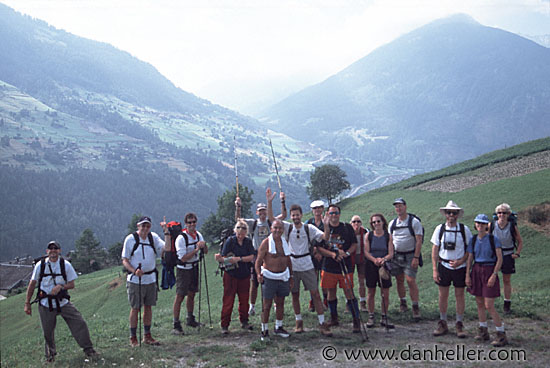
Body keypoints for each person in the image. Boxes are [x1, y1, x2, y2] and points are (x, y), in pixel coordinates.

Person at [266, 192, 332, 336]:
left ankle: (322, 323)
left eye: (297, 215)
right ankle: (298, 322)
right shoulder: (287, 227)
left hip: (307, 263)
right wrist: (269, 202)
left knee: (315, 293)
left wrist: (326, 225)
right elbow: (271, 219)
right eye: (293, 215)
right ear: (291, 216)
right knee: (294, 294)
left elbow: (325, 237)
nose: (295, 217)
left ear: (301, 215)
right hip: (293, 265)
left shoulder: (309, 228)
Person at [24, 241, 97, 362]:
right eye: (50, 249)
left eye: (55, 248)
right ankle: (50, 357)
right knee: (47, 332)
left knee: (79, 323)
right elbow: (32, 284)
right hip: (45, 303)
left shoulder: (65, 265)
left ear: (59, 251)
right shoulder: (40, 265)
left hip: (62, 301)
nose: (53, 251)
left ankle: (89, 350)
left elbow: (72, 284)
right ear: (47, 251)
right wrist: (27, 303)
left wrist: (61, 287)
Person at [235, 190, 286, 317]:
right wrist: (238, 206)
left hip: (270, 254)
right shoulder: (253, 223)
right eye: (260, 211)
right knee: (255, 281)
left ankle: (274, 304)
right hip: (256, 254)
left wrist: (282, 201)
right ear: (257, 212)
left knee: (272, 279)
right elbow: (238, 219)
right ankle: (252, 306)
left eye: (264, 211)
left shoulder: (271, 222)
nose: (263, 213)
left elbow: (284, 215)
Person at [122, 216, 170, 346]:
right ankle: (133, 337)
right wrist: (133, 271)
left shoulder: (152, 237)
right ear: (138, 226)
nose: (145, 228)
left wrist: (166, 232)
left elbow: (167, 248)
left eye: (147, 226)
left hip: (150, 279)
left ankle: (147, 336)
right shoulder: (130, 239)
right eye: (143, 226)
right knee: (135, 308)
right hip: (135, 280)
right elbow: (125, 260)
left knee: (148, 307)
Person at [430, 201, 473, 338]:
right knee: (443, 295)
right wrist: (434, 270)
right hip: (443, 266)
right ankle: (443, 323)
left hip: (460, 267)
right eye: (449, 213)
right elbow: (435, 250)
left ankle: (459, 324)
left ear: (458, 215)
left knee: (459, 295)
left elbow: (469, 250)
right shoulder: (439, 229)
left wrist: (461, 261)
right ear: (445, 214)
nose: (451, 215)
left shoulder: (464, 229)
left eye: (454, 213)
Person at [316, 204, 360, 332]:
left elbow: (354, 244)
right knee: (330, 292)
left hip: (345, 265)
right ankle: (334, 318)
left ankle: (356, 320)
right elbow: (319, 248)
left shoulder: (347, 228)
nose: (333, 216)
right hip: (329, 265)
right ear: (327, 214)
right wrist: (333, 255)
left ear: (339, 214)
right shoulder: (323, 229)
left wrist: (346, 254)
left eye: (336, 213)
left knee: (349, 291)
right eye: (331, 213)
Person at [466, 214, 507, 347]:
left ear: (487, 225)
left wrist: (494, 274)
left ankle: (501, 334)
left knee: (489, 304)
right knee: (479, 302)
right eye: (478, 223)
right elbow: (470, 258)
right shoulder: (473, 239)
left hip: (489, 269)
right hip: (477, 270)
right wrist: (467, 275)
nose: (480, 226)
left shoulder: (493, 239)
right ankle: (483, 331)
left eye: (483, 223)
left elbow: (500, 258)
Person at [214, 220, 256, 334]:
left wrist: (239, 259)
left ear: (245, 232)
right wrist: (221, 259)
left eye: (242, 233)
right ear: (235, 231)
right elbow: (223, 258)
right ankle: (224, 325)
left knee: (244, 299)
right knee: (228, 300)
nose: (240, 235)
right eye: (238, 233)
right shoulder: (230, 241)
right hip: (231, 275)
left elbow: (252, 256)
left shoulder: (247, 241)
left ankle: (244, 321)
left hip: (244, 274)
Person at [255, 219, 293, 341]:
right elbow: (258, 261)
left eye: (279, 228)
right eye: (275, 228)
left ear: (283, 230)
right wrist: (258, 274)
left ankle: (279, 327)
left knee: (280, 303)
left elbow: (288, 260)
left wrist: (291, 276)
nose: (277, 230)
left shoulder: (284, 242)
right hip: (269, 277)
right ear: (271, 229)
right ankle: (264, 330)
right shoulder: (266, 243)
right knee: (267, 305)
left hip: (283, 276)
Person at [172, 212, 208, 334]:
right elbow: (182, 258)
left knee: (192, 293)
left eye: (193, 222)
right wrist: (197, 249)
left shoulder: (198, 235)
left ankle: (190, 318)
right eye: (189, 222)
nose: (192, 224)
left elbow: (206, 251)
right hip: (183, 269)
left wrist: (204, 246)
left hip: (194, 267)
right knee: (180, 295)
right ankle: (176, 324)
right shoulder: (181, 238)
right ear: (186, 224)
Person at [388, 198, 423, 320]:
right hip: (397, 256)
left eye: (400, 206)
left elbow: (419, 240)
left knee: (410, 280)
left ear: (405, 207)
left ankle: (415, 306)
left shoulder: (414, 222)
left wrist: (416, 257)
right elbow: (390, 241)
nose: (398, 208)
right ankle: (403, 303)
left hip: (410, 255)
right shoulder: (392, 223)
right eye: (396, 206)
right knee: (399, 280)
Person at [489, 203, 523, 314]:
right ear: (496, 214)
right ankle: (489, 303)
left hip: (508, 254)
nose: (502, 215)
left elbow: (520, 241)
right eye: (499, 213)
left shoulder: (512, 226)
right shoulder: (492, 225)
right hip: (494, 255)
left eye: (504, 213)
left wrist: (517, 253)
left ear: (508, 214)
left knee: (506, 280)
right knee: (491, 279)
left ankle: (507, 304)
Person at [364, 214, 394, 329]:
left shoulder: (388, 236)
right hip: (371, 266)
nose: (376, 224)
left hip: (384, 266)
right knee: (371, 292)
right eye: (374, 222)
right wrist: (374, 260)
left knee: (385, 293)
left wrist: (383, 259)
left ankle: (384, 316)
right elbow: (366, 252)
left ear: (383, 222)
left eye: (378, 221)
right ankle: (371, 316)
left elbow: (391, 253)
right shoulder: (369, 236)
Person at [305, 199, 328, 310]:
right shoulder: (308, 223)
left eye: (319, 208)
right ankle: (313, 301)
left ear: (323, 209)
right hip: (312, 255)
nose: (317, 210)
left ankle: (325, 300)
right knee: (313, 279)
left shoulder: (326, 222)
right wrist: (314, 250)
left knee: (324, 280)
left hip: (325, 254)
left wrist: (320, 251)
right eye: (315, 208)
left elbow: (329, 238)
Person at [350, 215, 368, 312]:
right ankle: (349, 303)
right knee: (349, 282)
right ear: (351, 223)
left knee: (362, 281)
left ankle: (362, 303)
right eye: (354, 222)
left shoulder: (365, 233)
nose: (356, 224)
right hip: (350, 258)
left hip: (362, 258)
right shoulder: (348, 233)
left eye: (358, 221)